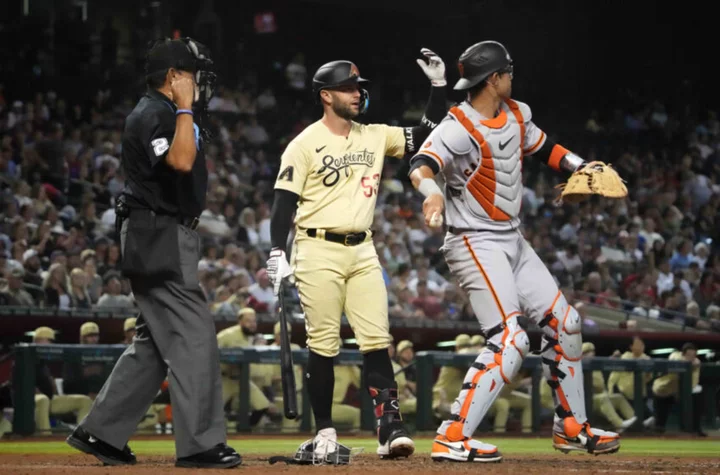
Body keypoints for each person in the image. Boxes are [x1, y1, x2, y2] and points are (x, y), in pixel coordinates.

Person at [408, 40, 620, 462]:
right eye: (507, 70)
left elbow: (547, 150)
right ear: (493, 79)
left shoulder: (518, 114)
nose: (512, 75)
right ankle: (452, 435)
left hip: (512, 238)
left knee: (566, 322)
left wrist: (582, 168)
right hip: (473, 239)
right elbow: (420, 164)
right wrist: (431, 194)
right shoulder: (457, 125)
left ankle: (570, 426)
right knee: (509, 340)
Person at [66, 37, 241, 469]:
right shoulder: (156, 113)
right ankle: (200, 446)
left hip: (158, 232)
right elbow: (180, 161)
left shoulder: (162, 112)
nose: (201, 84)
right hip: (158, 234)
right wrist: (183, 107)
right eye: (193, 75)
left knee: (154, 345)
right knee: (195, 338)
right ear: (173, 77)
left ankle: (100, 432)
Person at [266, 49, 448, 462]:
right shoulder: (303, 143)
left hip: (362, 248)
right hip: (315, 248)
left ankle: (389, 426)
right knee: (323, 346)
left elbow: (426, 134)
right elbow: (282, 205)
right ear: (325, 95)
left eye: (358, 88)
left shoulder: (374, 134)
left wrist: (438, 89)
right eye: (348, 88)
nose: (356, 94)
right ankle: (325, 431)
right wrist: (278, 250)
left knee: (376, 342)